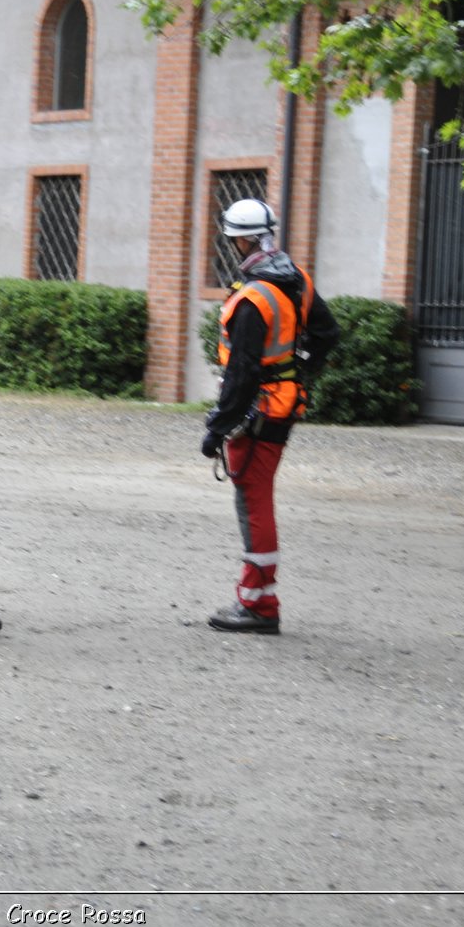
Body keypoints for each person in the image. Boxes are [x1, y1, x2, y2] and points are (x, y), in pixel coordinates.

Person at [200, 198, 340, 634]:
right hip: (283, 404)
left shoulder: (252, 298)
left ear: (241, 241)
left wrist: (217, 428)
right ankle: (258, 598)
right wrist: (296, 371)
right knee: (257, 496)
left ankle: (259, 604)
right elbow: (327, 333)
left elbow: (241, 374)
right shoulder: (296, 279)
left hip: (258, 412)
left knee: (254, 501)